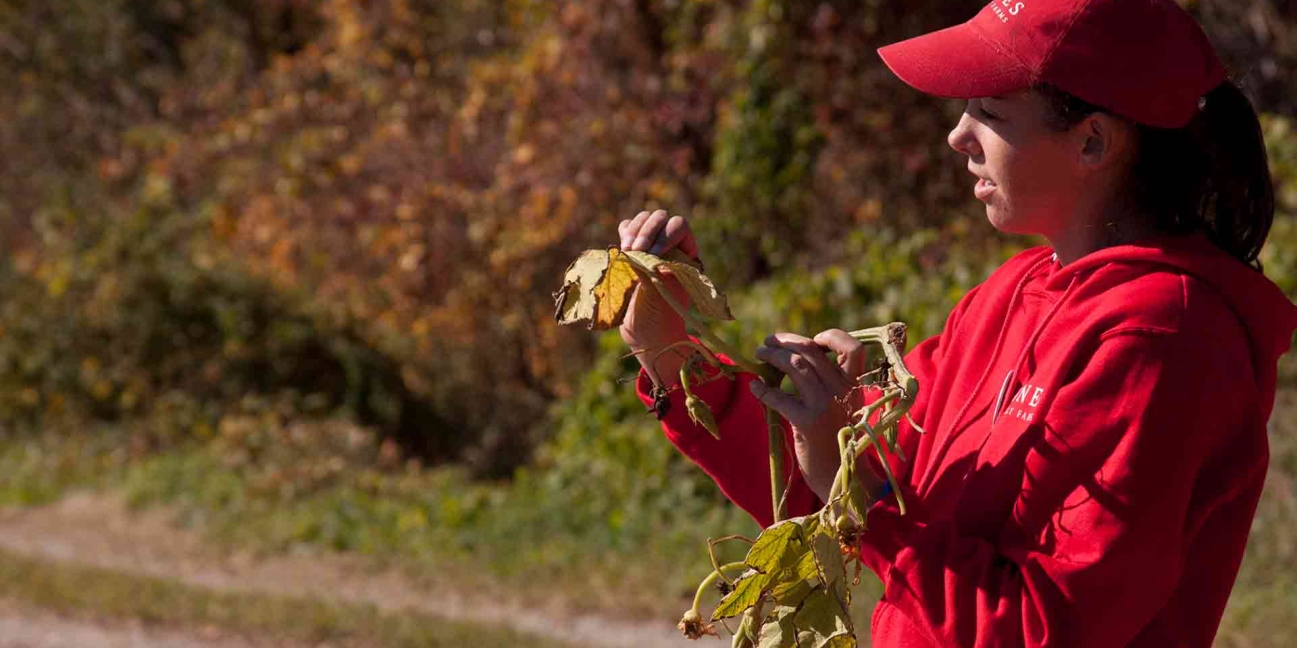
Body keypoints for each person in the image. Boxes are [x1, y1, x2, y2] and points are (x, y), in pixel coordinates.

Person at [615, 0, 1297, 646]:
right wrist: (673, 353)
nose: (956, 135)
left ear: (1092, 142)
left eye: (990, 112)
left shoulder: (1162, 338)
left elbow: (1045, 626)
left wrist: (864, 498)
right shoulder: (1009, 295)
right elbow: (816, 488)